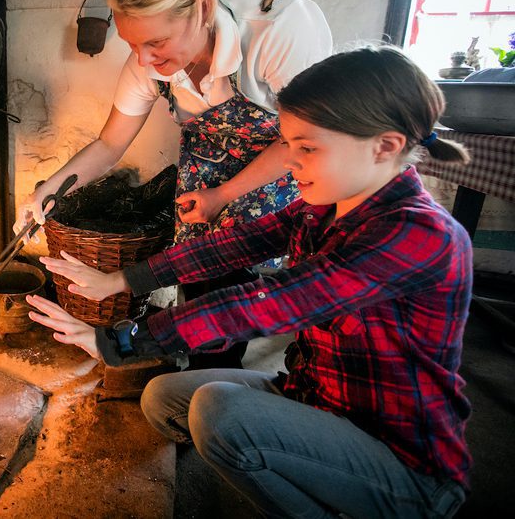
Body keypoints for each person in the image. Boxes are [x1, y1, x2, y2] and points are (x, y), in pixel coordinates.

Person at [26, 45, 473, 518]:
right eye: (289, 144)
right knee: (164, 398)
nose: (291, 161)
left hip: (398, 456)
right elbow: (230, 246)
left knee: (220, 414)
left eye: (307, 148)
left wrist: (120, 340)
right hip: (315, 396)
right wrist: (121, 279)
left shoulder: (419, 235)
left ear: (384, 146)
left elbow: (266, 303)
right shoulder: (322, 208)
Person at [20, 0, 332, 370]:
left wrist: (226, 195)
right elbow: (110, 144)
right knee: (199, 278)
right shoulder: (146, 62)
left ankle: (220, 384)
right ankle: (199, 372)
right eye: (132, 45)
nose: (144, 59)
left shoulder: (277, 29)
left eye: (156, 42)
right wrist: (48, 190)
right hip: (203, 182)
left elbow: (305, 138)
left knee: (247, 297)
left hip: (275, 177)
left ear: (202, 5)